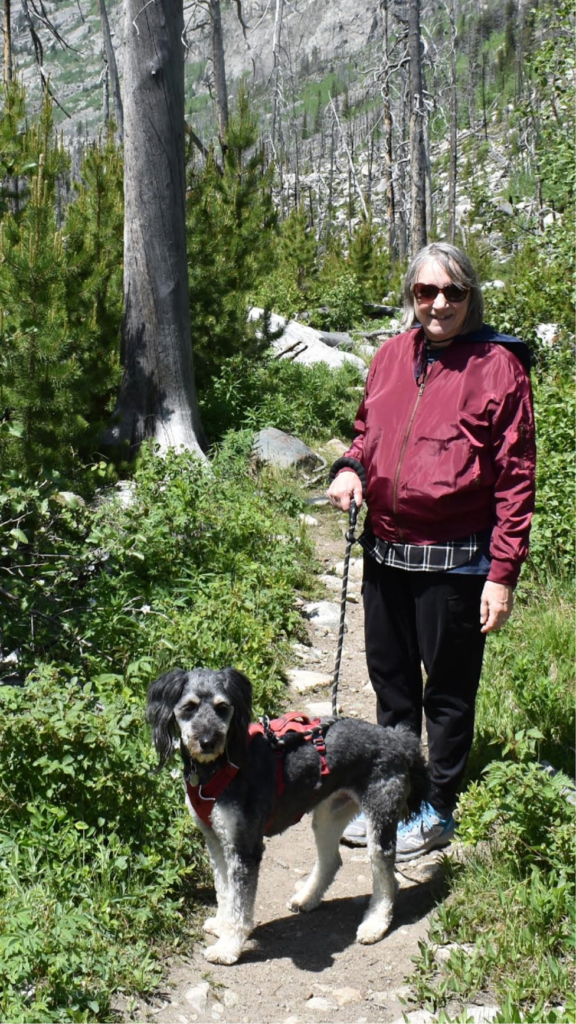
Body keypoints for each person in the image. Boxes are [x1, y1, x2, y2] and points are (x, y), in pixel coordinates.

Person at [327, 242, 536, 860]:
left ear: (471, 295)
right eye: (426, 292)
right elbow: (368, 431)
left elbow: (516, 476)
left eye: (453, 292)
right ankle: (394, 798)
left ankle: (437, 808)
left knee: (445, 693)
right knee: (391, 687)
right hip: (387, 556)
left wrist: (502, 574)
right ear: (412, 297)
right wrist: (348, 467)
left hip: (457, 563)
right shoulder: (393, 355)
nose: (439, 303)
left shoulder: (499, 367)